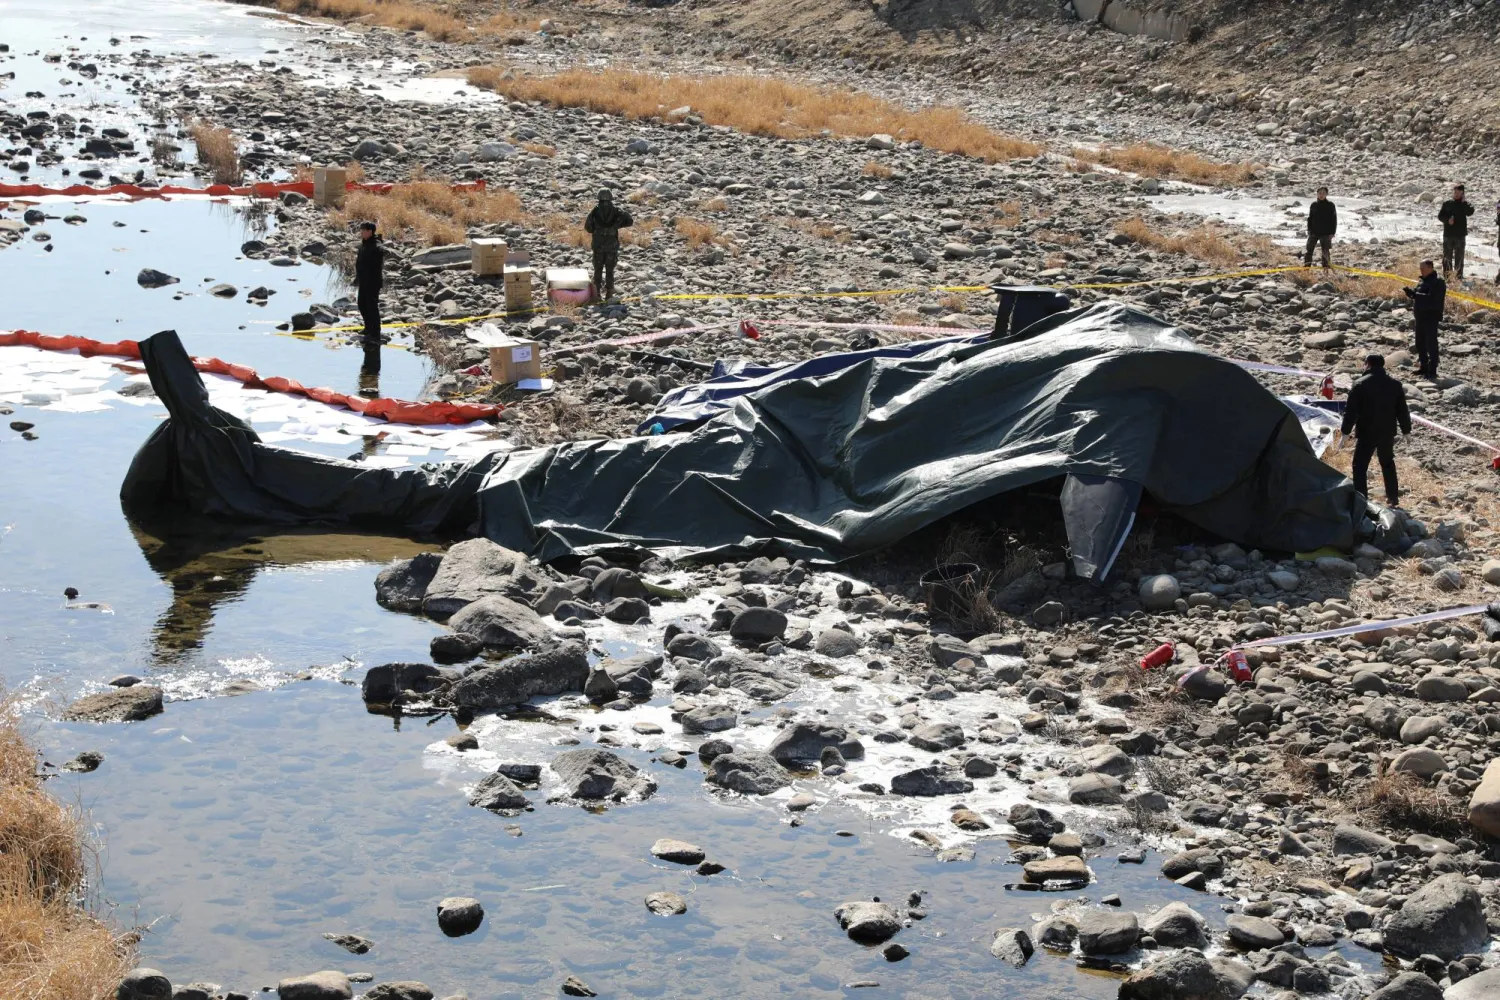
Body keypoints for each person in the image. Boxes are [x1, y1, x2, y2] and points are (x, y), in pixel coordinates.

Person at [1341, 353, 1411, 508]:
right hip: (1387, 432)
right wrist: (1406, 430)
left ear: (1367, 364)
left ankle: (1361, 500)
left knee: (1360, 466)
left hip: (1367, 432)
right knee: (1387, 463)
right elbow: (1402, 410)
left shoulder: (1360, 384)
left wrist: (1345, 432)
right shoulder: (1395, 384)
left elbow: (1351, 411)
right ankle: (1393, 498)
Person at [584, 188, 633, 301]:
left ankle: (597, 294)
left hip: (598, 246)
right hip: (612, 246)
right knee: (610, 270)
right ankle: (609, 293)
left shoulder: (594, 212)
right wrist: (617, 225)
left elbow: (588, 228)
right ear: (611, 197)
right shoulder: (617, 211)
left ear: (599, 198)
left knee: (598, 269)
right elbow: (629, 221)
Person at [1403, 259, 1447, 378]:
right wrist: (1411, 293)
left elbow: (1432, 298)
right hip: (1420, 316)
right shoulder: (1422, 281)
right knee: (1419, 343)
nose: (1421, 271)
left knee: (1431, 343)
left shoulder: (1438, 282)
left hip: (1431, 316)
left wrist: (1416, 295)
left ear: (1430, 268)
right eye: (1420, 269)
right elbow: (1418, 295)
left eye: (1423, 269)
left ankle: (1432, 370)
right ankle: (1423, 366)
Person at [353, 221, 383, 377]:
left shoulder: (376, 247)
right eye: (361, 230)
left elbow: (375, 267)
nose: (362, 232)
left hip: (372, 283)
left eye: (364, 230)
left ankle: (375, 332)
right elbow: (360, 263)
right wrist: (357, 278)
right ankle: (367, 327)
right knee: (362, 305)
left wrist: (370, 281)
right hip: (363, 282)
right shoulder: (364, 245)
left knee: (371, 306)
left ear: (370, 231)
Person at [1438, 183, 1474, 280]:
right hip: (1448, 235)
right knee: (1447, 257)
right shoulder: (1447, 203)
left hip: (1460, 235)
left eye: (1458, 192)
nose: (1456, 194)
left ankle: (1458, 277)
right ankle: (1447, 277)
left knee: (1459, 257)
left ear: (1462, 193)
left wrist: (1464, 202)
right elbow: (1440, 216)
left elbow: (1470, 212)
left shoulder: (1465, 204)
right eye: (1455, 192)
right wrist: (1447, 220)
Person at [1304, 187, 1337, 268]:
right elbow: (1310, 218)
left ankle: (1326, 268)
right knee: (1309, 250)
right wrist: (1309, 230)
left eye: (1323, 193)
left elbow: (1334, 220)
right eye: (1319, 193)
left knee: (1325, 251)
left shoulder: (1330, 205)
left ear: (1326, 194)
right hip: (1314, 232)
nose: (1321, 195)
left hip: (1326, 233)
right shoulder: (1314, 205)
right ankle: (1306, 267)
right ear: (1317, 194)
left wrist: (1332, 233)